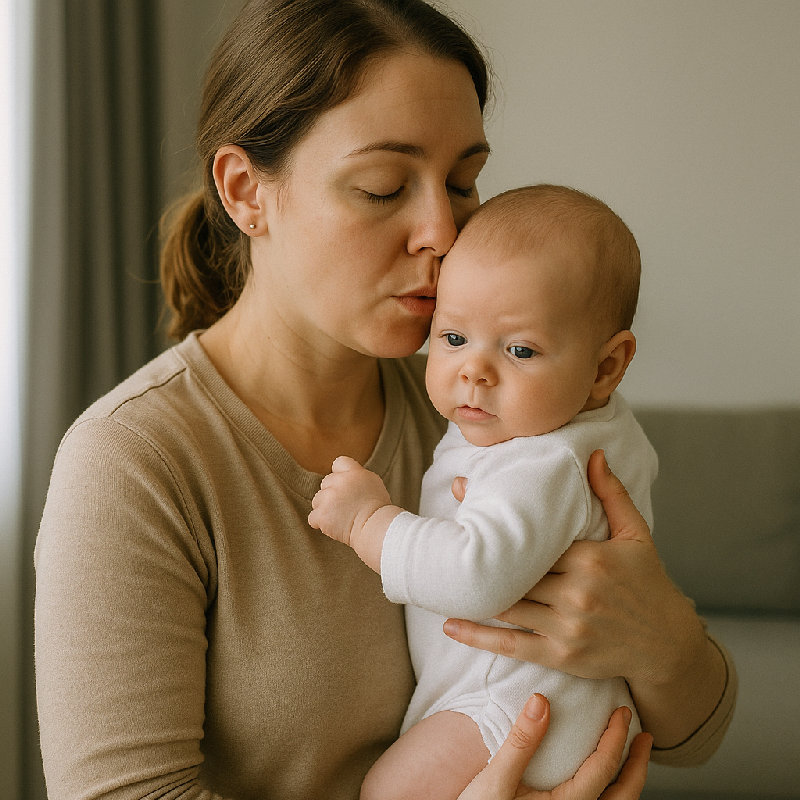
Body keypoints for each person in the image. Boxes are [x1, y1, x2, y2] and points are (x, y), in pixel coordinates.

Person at [33, 2, 735, 799]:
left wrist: (662, 639)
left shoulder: (481, 405)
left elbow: (698, 734)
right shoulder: (135, 462)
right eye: (383, 186)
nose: (443, 229)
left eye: (464, 181)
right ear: (245, 191)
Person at [308, 184, 654, 796]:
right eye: (453, 338)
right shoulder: (582, 426)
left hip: (520, 708)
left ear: (606, 367)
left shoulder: (545, 461)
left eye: (519, 349)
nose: (474, 371)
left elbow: (477, 577)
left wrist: (370, 523)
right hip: (538, 698)